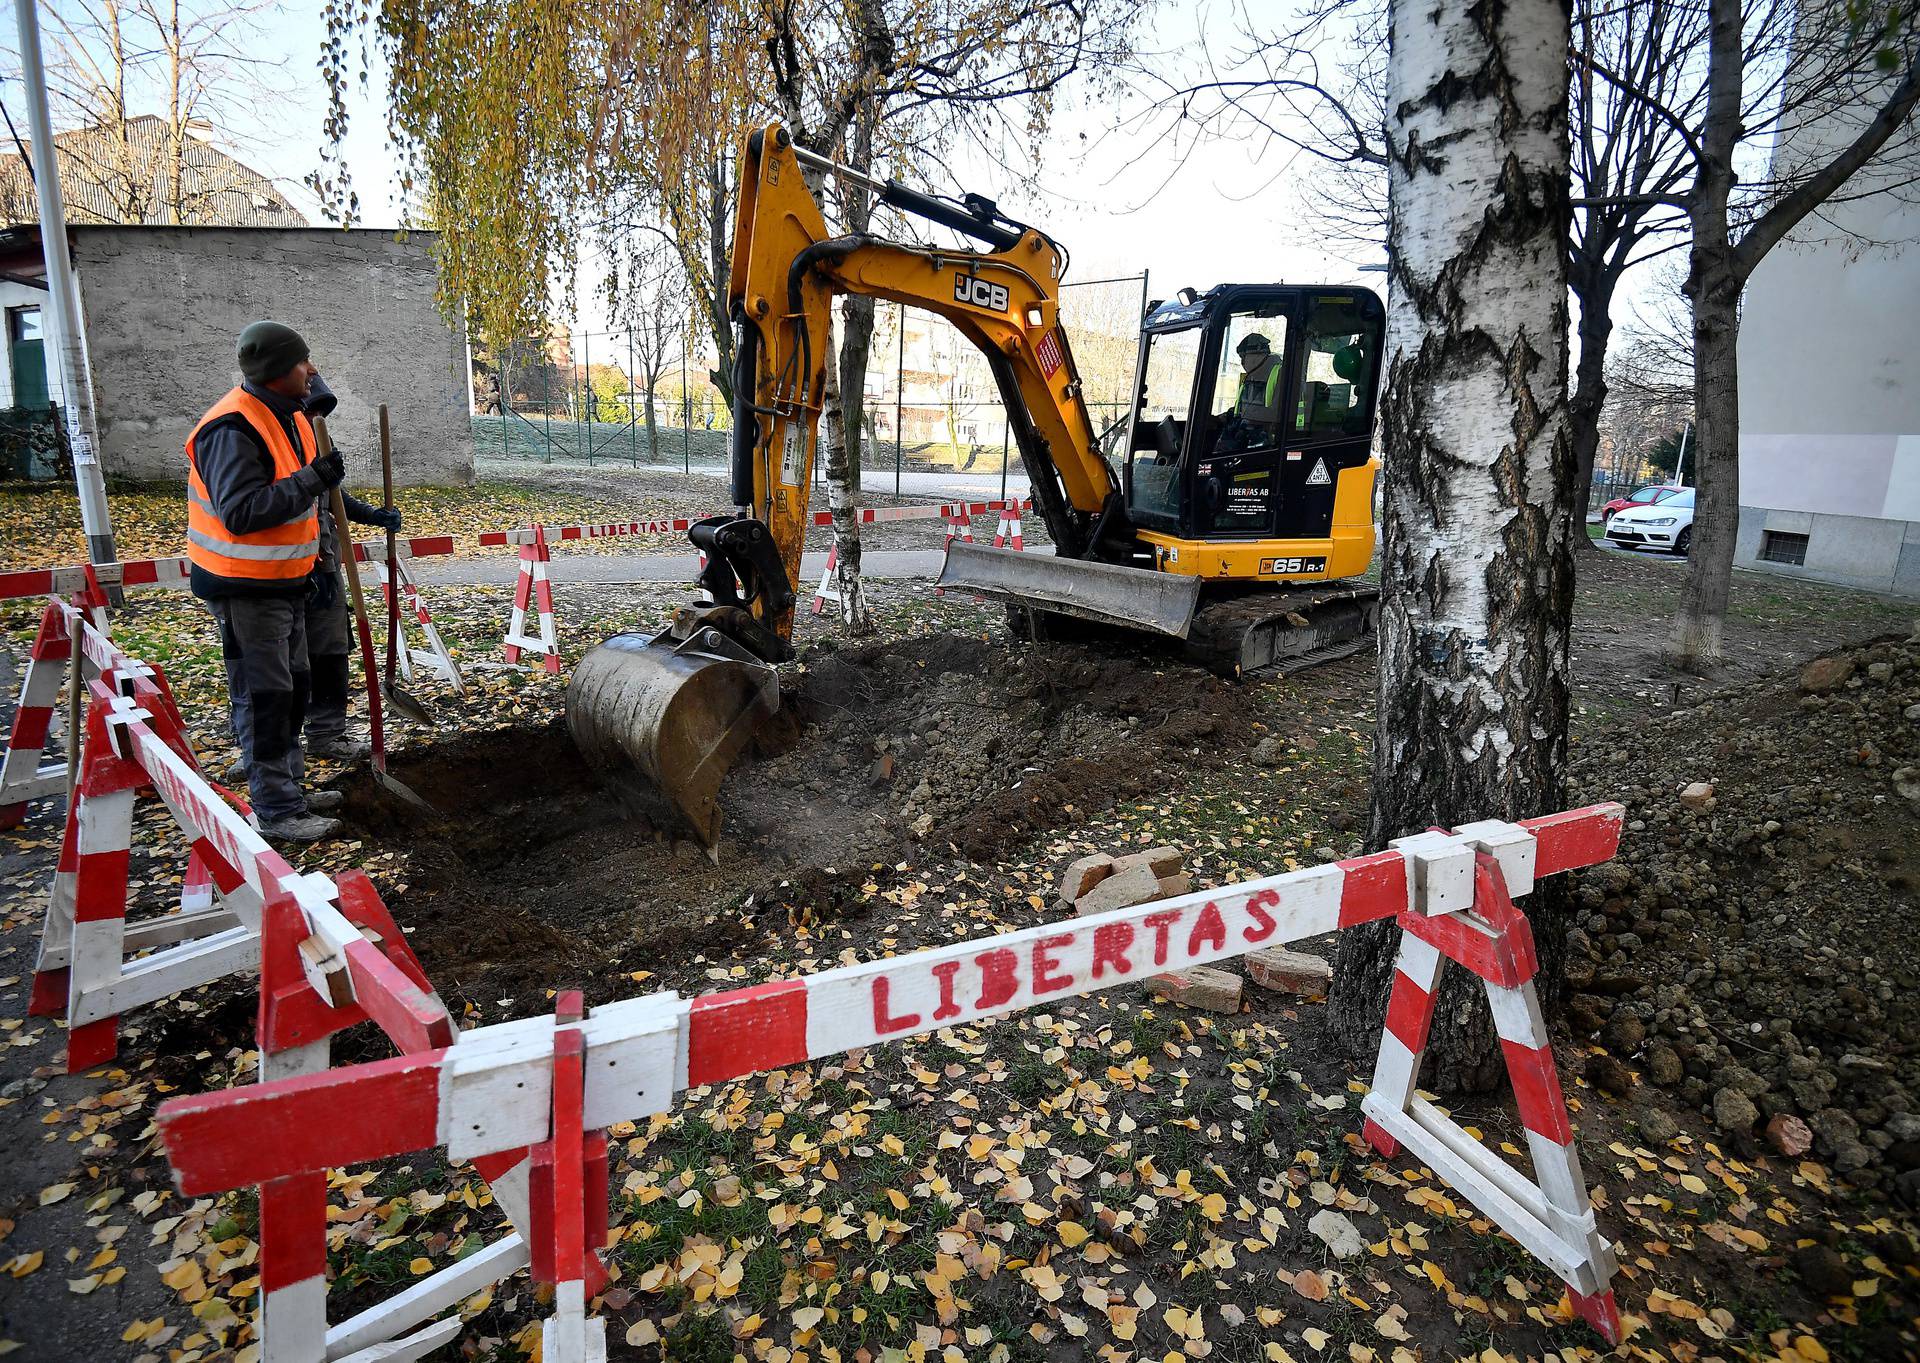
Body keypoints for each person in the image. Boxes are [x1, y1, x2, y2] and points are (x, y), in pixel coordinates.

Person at [187, 321, 354, 842]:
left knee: (295, 688)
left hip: (289, 581)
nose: (313, 371)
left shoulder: (290, 413)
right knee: (266, 699)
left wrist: (313, 391)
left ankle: (292, 789)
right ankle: (277, 809)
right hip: (247, 588)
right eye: (303, 363)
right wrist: (313, 480)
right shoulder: (232, 428)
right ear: (279, 371)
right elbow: (241, 512)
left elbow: (312, 392)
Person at [1233, 333, 1286, 428]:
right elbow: (1245, 408)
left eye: (1243, 357)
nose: (1242, 362)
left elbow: (1278, 414)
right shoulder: (1251, 377)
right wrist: (1227, 416)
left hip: (1267, 436)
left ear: (1257, 355)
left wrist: (1246, 420)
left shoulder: (1281, 374)